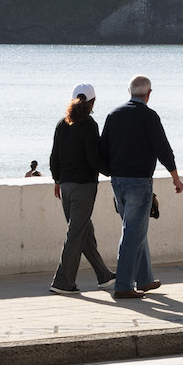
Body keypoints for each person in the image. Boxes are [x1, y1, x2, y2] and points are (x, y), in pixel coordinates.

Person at [100, 75, 183, 300]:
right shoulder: (149, 116)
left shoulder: (113, 114)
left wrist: (110, 172)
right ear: (148, 94)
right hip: (139, 180)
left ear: (130, 91)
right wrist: (176, 177)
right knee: (132, 232)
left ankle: (144, 279)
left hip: (118, 181)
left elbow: (103, 148)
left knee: (137, 228)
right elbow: (163, 149)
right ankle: (124, 285)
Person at [47, 83, 115, 294]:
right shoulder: (89, 125)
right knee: (76, 232)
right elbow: (93, 158)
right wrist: (112, 171)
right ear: (93, 102)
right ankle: (63, 282)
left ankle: (104, 276)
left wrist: (57, 181)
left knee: (84, 230)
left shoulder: (62, 124)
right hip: (84, 187)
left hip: (65, 187)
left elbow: (54, 157)